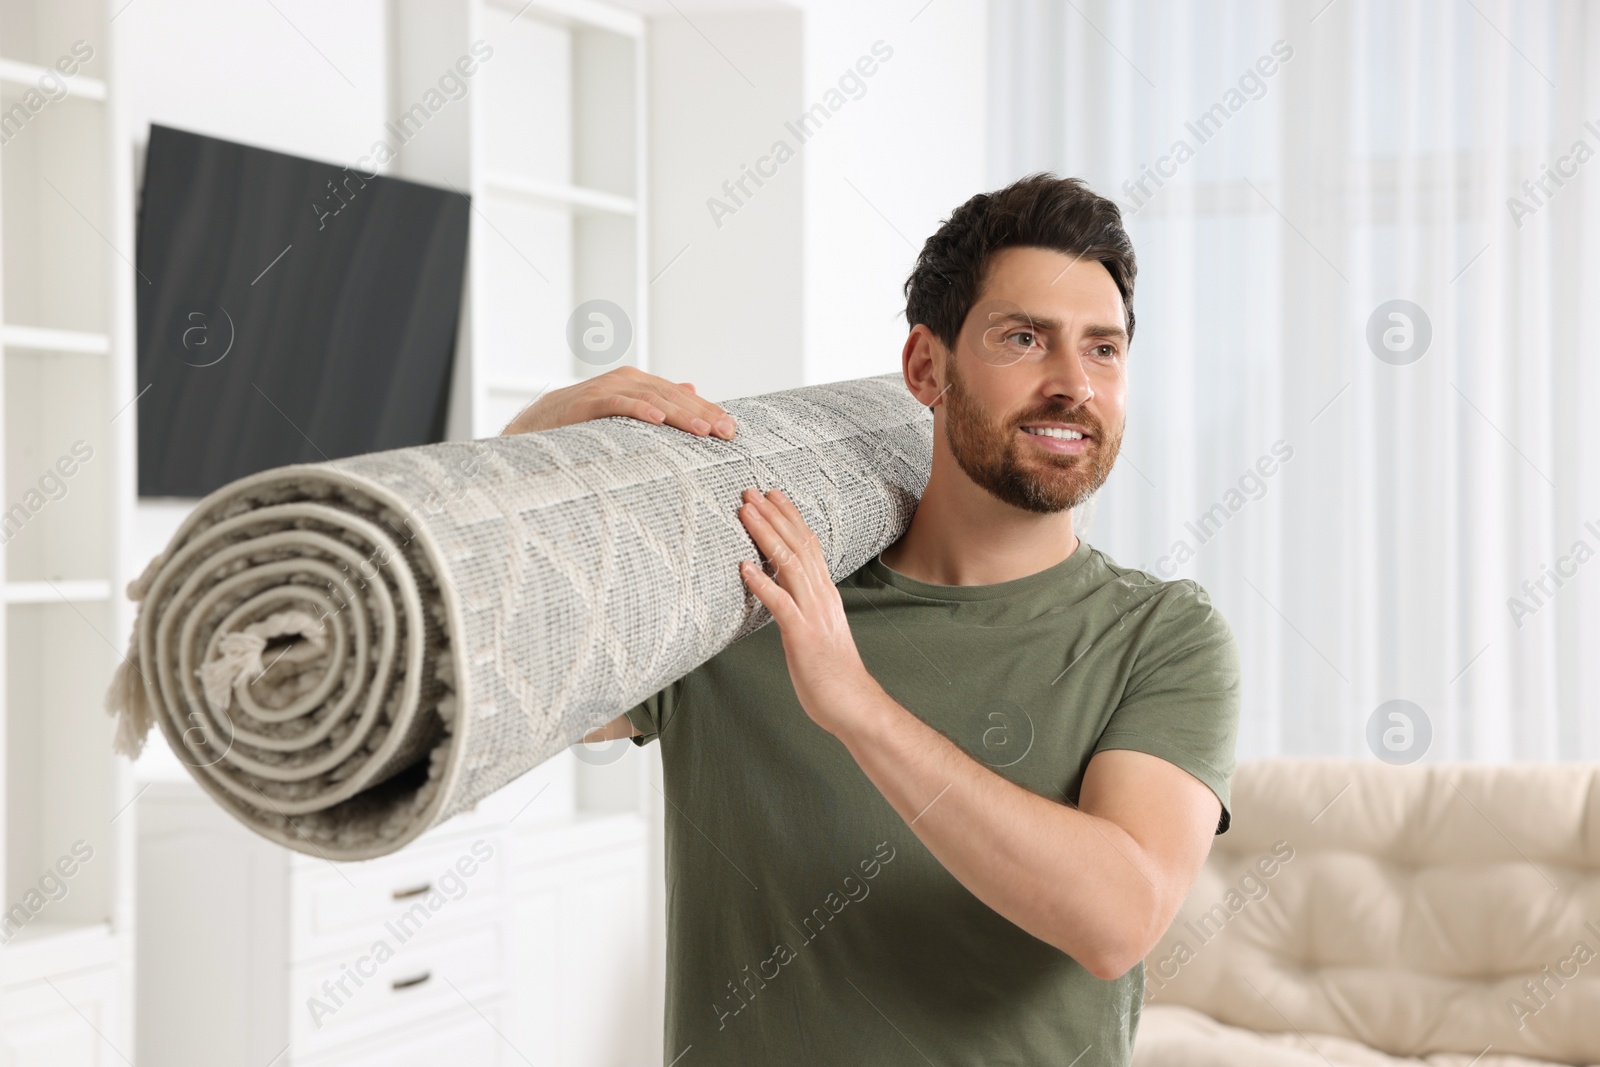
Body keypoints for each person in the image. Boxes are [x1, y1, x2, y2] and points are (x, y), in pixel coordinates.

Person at [502, 172, 1240, 1066]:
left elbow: (1118, 917)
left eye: (1105, 350)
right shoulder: (758, 586)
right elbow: (513, 678)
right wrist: (533, 448)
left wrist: (854, 702)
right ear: (927, 368)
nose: (1073, 385)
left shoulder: (1163, 635)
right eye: (1024, 338)